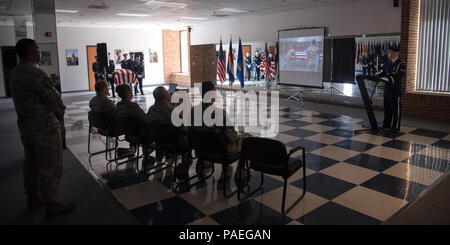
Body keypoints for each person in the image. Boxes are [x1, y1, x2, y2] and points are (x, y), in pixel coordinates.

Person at [9, 38, 74, 217]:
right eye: (37, 50)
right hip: (44, 126)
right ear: (31, 52)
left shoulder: (15, 73)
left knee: (31, 161)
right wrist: (60, 112)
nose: (40, 53)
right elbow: (53, 100)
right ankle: (52, 202)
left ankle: (33, 195)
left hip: (25, 125)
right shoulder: (36, 74)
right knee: (50, 163)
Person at [191, 81, 250, 186]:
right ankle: (235, 171)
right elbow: (231, 136)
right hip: (219, 151)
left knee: (202, 133)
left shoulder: (192, 111)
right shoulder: (219, 114)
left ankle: (201, 163)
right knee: (246, 138)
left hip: (200, 149)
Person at [147, 86, 190, 175]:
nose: (169, 94)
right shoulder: (172, 111)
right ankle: (184, 162)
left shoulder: (151, 109)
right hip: (173, 143)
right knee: (189, 135)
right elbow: (183, 129)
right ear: (165, 96)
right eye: (167, 93)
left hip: (158, 141)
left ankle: (164, 155)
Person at [376, 46, 406, 131]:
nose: (388, 53)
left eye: (390, 52)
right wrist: (378, 75)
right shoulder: (388, 62)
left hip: (395, 90)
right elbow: (384, 72)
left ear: (396, 53)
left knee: (396, 110)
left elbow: (399, 76)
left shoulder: (401, 64)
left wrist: (389, 79)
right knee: (387, 109)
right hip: (387, 89)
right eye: (388, 51)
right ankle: (386, 125)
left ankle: (395, 127)